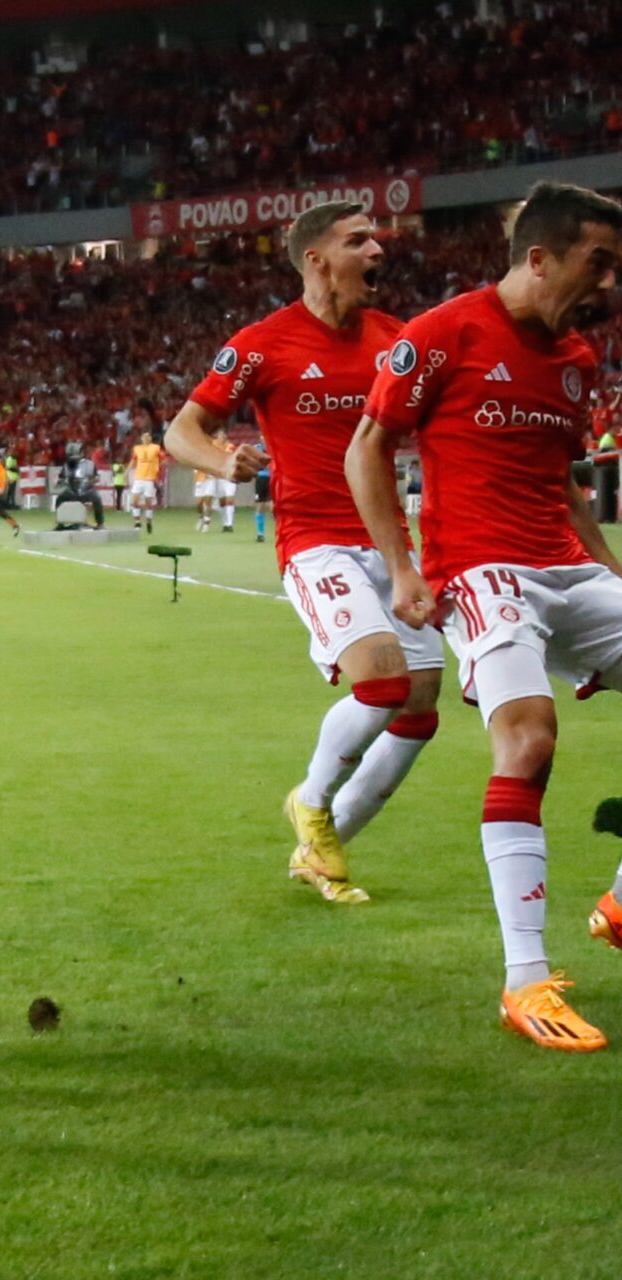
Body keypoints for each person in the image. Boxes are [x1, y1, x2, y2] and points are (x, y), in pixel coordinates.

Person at [348, 180, 621, 1050]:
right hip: (481, 568)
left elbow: (566, 478)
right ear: (538, 257)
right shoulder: (443, 333)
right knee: (529, 739)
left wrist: (612, 572)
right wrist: (399, 566)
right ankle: (526, 981)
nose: (610, 282)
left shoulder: (576, 357)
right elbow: (369, 447)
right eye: (599, 262)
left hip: (565, 564)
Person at [166, 199, 443, 905]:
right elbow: (183, 430)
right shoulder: (262, 343)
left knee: (419, 706)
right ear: (315, 259)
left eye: (376, 238)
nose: (377, 251)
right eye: (358, 241)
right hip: (315, 542)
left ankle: (323, 846)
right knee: (380, 683)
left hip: (390, 543)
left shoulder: (397, 337)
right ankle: (312, 800)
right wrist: (220, 459)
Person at [127, 431, 162, 533]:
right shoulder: (137, 448)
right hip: (139, 478)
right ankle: (137, 522)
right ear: (141, 439)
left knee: (148, 502)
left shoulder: (156, 448)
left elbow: (163, 458)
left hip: (149, 479)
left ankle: (149, 521)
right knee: (134, 501)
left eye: (148, 437)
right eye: (144, 437)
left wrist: (157, 469)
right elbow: (133, 460)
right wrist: (127, 472)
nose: (146, 439)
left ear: (150, 438)